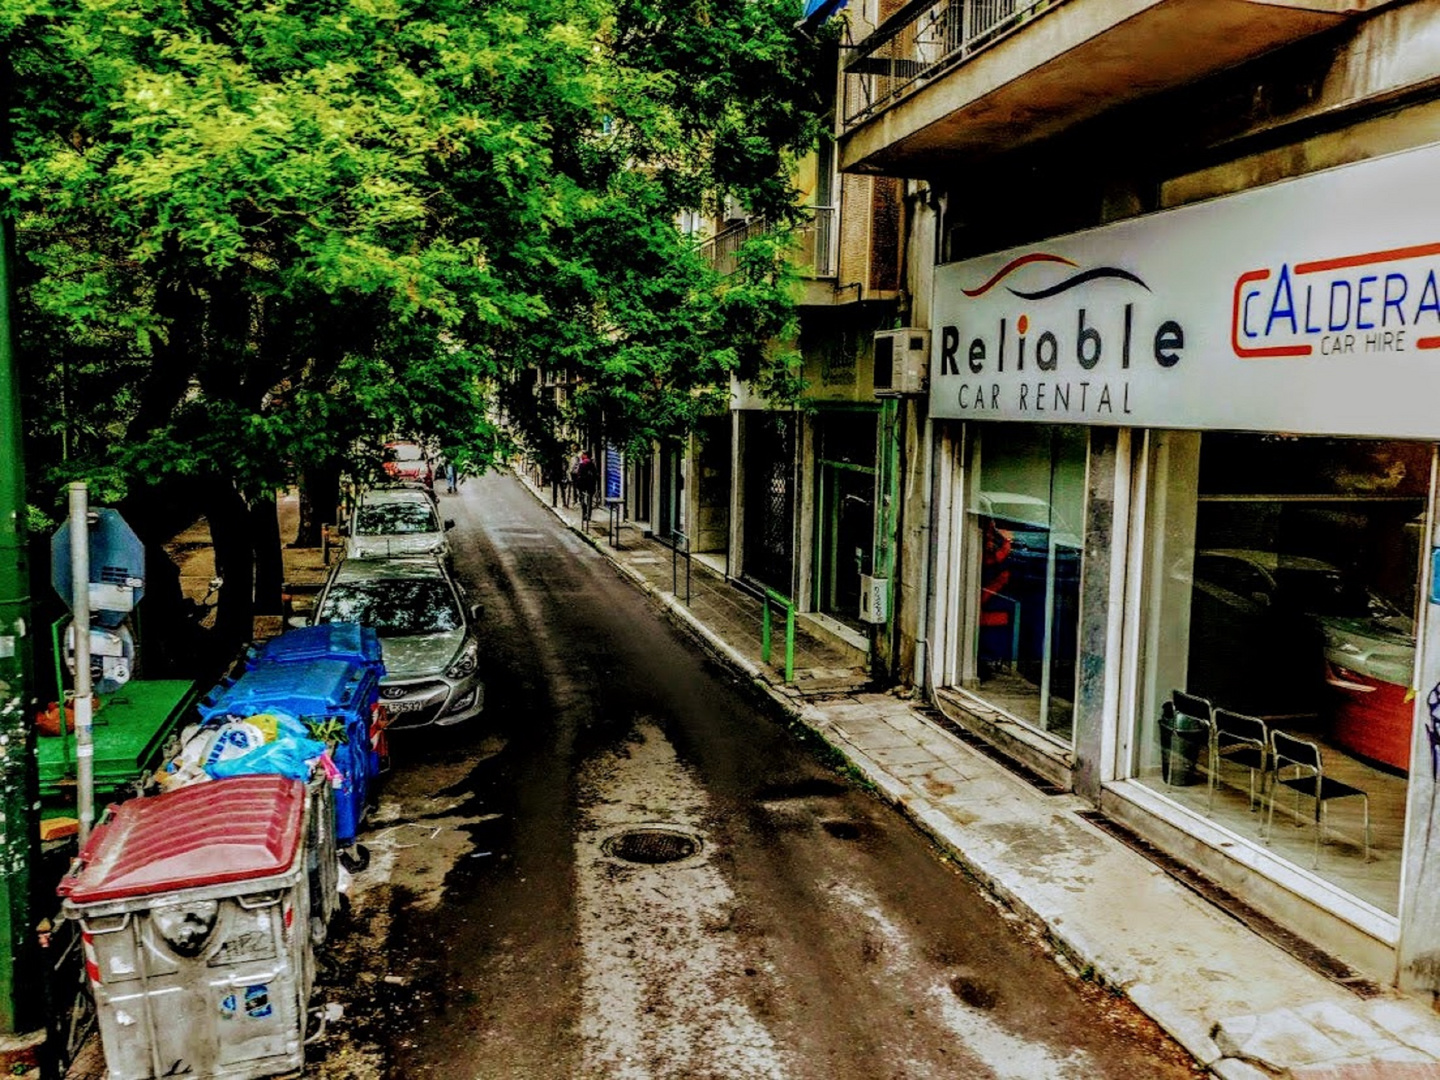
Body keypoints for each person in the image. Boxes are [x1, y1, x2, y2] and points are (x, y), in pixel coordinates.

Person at [571, 450, 599, 527]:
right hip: (591, 485)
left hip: (583, 486)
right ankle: (588, 515)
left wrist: (578, 484)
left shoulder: (582, 464)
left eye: (583, 455)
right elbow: (596, 475)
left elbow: (578, 475)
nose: (581, 456)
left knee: (582, 499)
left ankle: (584, 514)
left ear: (586, 455)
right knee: (589, 500)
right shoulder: (592, 464)